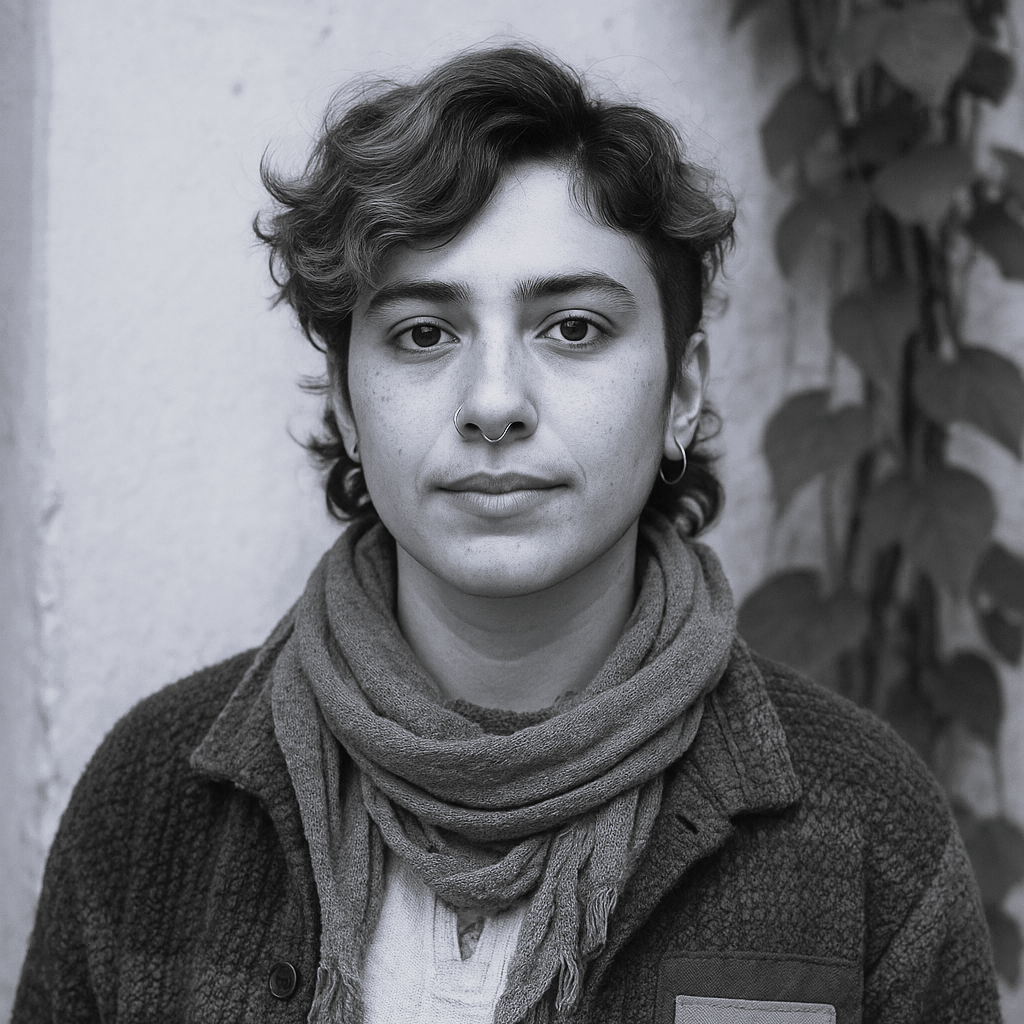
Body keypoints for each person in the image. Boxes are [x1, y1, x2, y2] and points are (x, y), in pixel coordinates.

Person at [12, 45, 1000, 1024]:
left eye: (572, 328)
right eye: (422, 333)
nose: (493, 403)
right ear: (347, 403)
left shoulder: (864, 828)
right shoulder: (152, 801)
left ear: (681, 392)